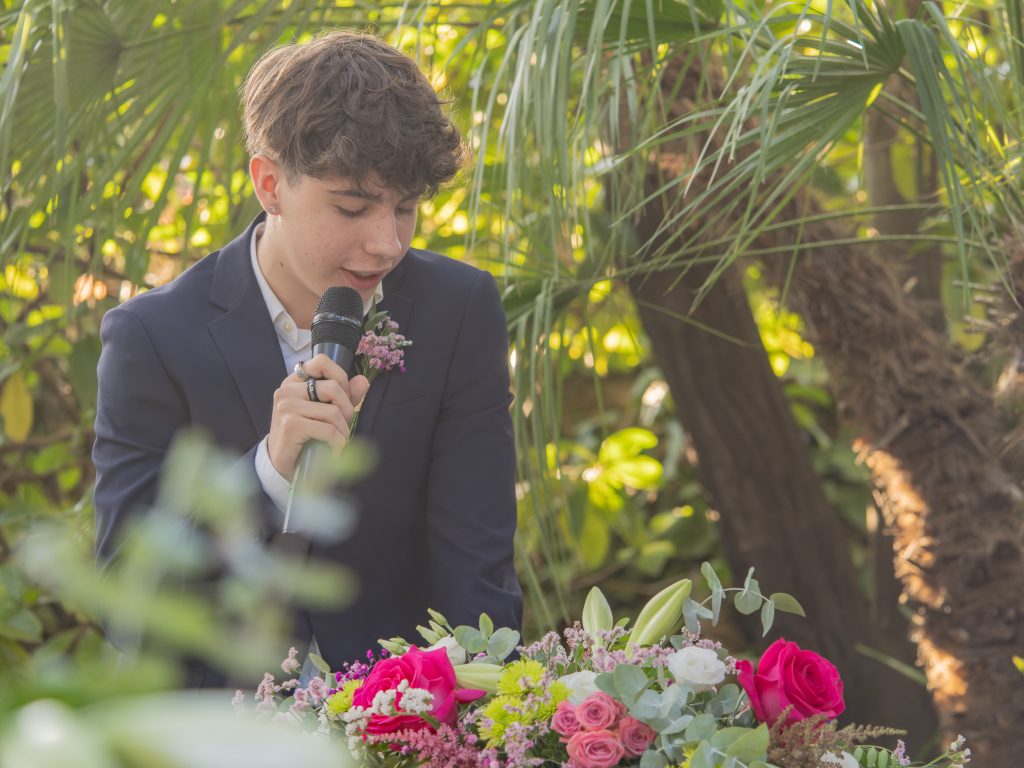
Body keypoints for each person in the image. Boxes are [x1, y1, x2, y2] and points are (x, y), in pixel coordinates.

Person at [93, 30, 522, 687]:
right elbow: (126, 600)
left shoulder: (459, 309)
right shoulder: (151, 337)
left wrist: (480, 722)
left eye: (405, 209)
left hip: (409, 718)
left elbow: (477, 563)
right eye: (352, 206)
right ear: (270, 184)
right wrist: (268, 472)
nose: (387, 244)